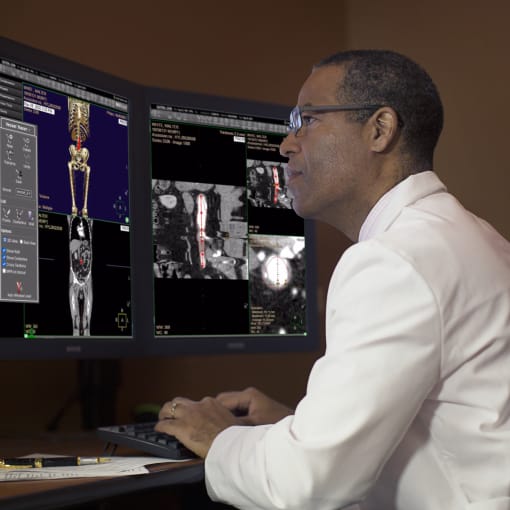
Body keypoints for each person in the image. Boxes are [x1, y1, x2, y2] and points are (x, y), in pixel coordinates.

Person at [155, 50, 510, 509]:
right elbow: (455, 435)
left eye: (307, 120)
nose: (286, 144)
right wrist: (298, 427)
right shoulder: (475, 238)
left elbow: (310, 485)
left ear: (380, 130)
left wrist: (218, 438)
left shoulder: (394, 260)